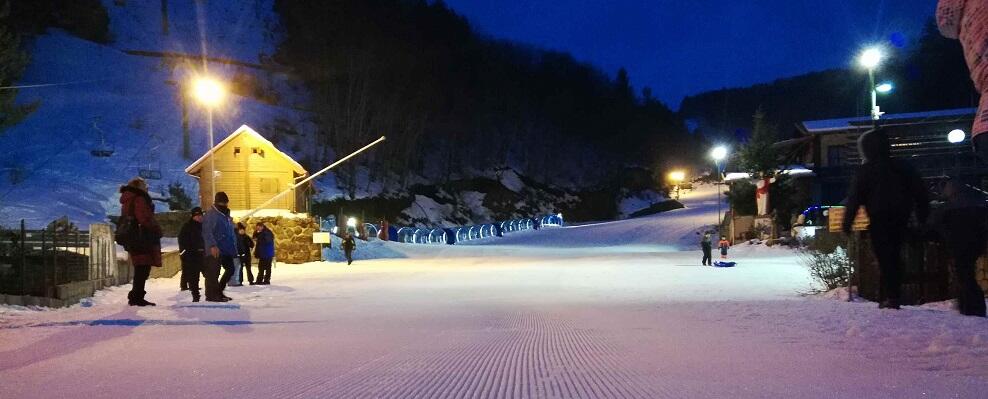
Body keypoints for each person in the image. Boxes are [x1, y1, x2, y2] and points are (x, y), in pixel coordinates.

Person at [843, 130, 930, 310]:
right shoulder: (903, 166)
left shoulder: (866, 171)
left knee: (886, 257)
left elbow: (855, 198)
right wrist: (923, 217)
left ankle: (891, 296)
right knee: (894, 254)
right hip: (901, 217)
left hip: (879, 218)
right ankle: (892, 295)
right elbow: (921, 193)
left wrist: (847, 222)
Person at [934, 179, 987, 317]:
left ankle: (970, 306)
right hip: (975, 244)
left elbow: (937, 226)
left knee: (964, 274)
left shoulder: (948, 209)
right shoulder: (977, 205)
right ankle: (970, 305)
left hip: (959, 244)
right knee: (966, 273)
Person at [119, 178, 162, 306]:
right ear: (138, 186)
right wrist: (155, 229)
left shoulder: (128, 199)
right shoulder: (139, 198)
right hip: (141, 237)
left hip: (132, 237)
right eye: (144, 185)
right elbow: (143, 218)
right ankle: (136, 297)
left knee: (140, 267)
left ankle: (136, 295)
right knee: (143, 267)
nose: (147, 187)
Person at [202, 192, 237, 302]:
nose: (224, 205)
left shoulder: (226, 216)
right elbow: (207, 231)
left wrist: (234, 248)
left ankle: (219, 292)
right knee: (213, 273)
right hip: (215, 249)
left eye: (225, 203)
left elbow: (230, 233)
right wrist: (212, 245)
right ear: (217, 202)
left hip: (226, 249)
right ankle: (211, 295)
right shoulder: (211, 215)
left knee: (230, 269)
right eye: (222, 202)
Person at [178, 207, 205, 302]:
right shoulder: (187, 227)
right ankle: (195, 295)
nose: (199, 217)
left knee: (208, 274)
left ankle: (211, 292)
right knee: (193, 276)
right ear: (193, 216)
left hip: (203, 254)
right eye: (197, 216)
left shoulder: (204, 226)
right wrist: (184, 252)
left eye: (200, 215)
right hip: (191, 255)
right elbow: (182, 240)